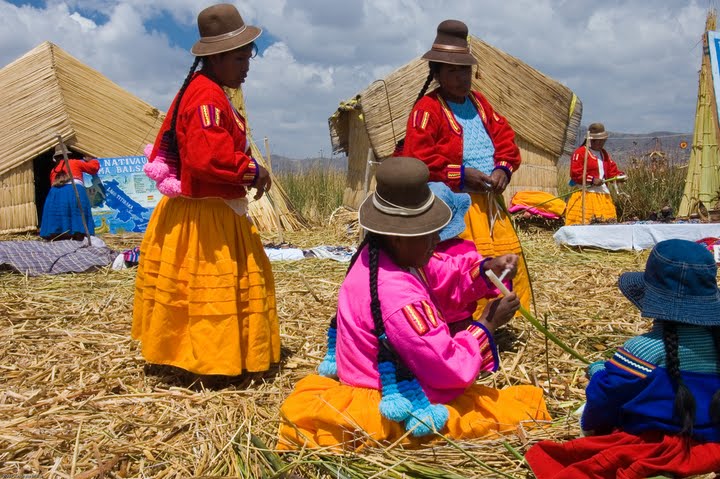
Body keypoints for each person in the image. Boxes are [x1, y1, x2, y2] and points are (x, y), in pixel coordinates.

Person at [277, 157, 550, 451]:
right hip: (399, 399)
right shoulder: (399, 298)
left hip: (370, 375)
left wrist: (487, 271)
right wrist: (486, 325)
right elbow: (447, 368)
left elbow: (443, 278)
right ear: (398, 236)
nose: (437, 240)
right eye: (429, 232)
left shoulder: (379, 254)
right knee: (522, 411)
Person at [132, 3, 279, 378]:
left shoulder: (208, 90)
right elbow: (206, 159)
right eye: (240, 59)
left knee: (205, 292)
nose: (247, 66)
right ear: (217, 58)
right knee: (209, 292)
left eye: (249, 57)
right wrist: (253, 171)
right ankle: (211, 361)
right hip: (205, 216)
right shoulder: (206, 98)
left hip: (205, 209)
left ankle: (206, 357)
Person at [525, 239, 720, 479]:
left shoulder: (644, 350)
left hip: (656, 449)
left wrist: (597, 372)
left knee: (555, 458)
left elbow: (604, 398)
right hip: (713, 444)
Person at [401, 19, 531, 318]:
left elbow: (506, 140)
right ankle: (472, 323)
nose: (461, 77)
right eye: (452, 71)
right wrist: (460, 174)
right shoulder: (427, 109)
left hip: (490, 205)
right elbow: (417, 158)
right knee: (470, 264)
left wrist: (502, 170)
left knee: (507, 261)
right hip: (455, 206)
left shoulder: (480, 103)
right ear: (436, 73)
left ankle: (503, 318)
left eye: (465, 70)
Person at [428, 181, 520, 335]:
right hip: (462, 322)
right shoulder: (465, 249)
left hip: (429, 321)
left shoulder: (417, 253)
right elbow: (487, 281)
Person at [565, 123, 626, 225]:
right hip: (586, 194)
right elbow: (576, 173)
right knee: (586, 221)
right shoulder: (580, 153)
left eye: (603, 141)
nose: (602, 143)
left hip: (602, 195)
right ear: (591, 140)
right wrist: (592, 179)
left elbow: (611, 171)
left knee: (606, 221)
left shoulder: (604, 154)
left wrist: (619, 176)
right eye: (600, 141)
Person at [39, 144, 100, 241]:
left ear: (56, 158)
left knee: (61, 213)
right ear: (67, 155)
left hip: (55, 194)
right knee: (77, 212)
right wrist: (92, 160)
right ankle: (78, 234)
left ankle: (59, 235)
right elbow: (93, 168)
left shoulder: (53, 171)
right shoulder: (75, 163)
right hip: (74, 190)